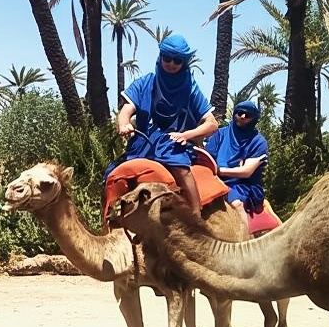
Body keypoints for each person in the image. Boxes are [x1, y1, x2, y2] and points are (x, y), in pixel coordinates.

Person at [114, 34, 218, 214]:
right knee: (114, 175)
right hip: (143, 141)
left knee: (180, 168)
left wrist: (186, 135)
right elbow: (127, 109)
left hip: (173, 142)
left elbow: (212, 124)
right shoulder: (146, 82)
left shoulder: (190, 88)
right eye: (167, 58)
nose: (171, 64)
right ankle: (110, 219)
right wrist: (124, 125)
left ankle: (195, 215)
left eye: (177, 60)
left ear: (183, 63)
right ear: (160, 57)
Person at [206, 100, 269, 221]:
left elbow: (246, 172)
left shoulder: (258, 142)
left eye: (248, 115)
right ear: (234, 113)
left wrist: (219, 170)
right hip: (215, 180)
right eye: (240, 113)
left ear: (254, 119)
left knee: (236, 204)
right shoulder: (219, 134)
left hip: (242, 185)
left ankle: (244, 238)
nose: (243, 116)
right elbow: (208, 159)